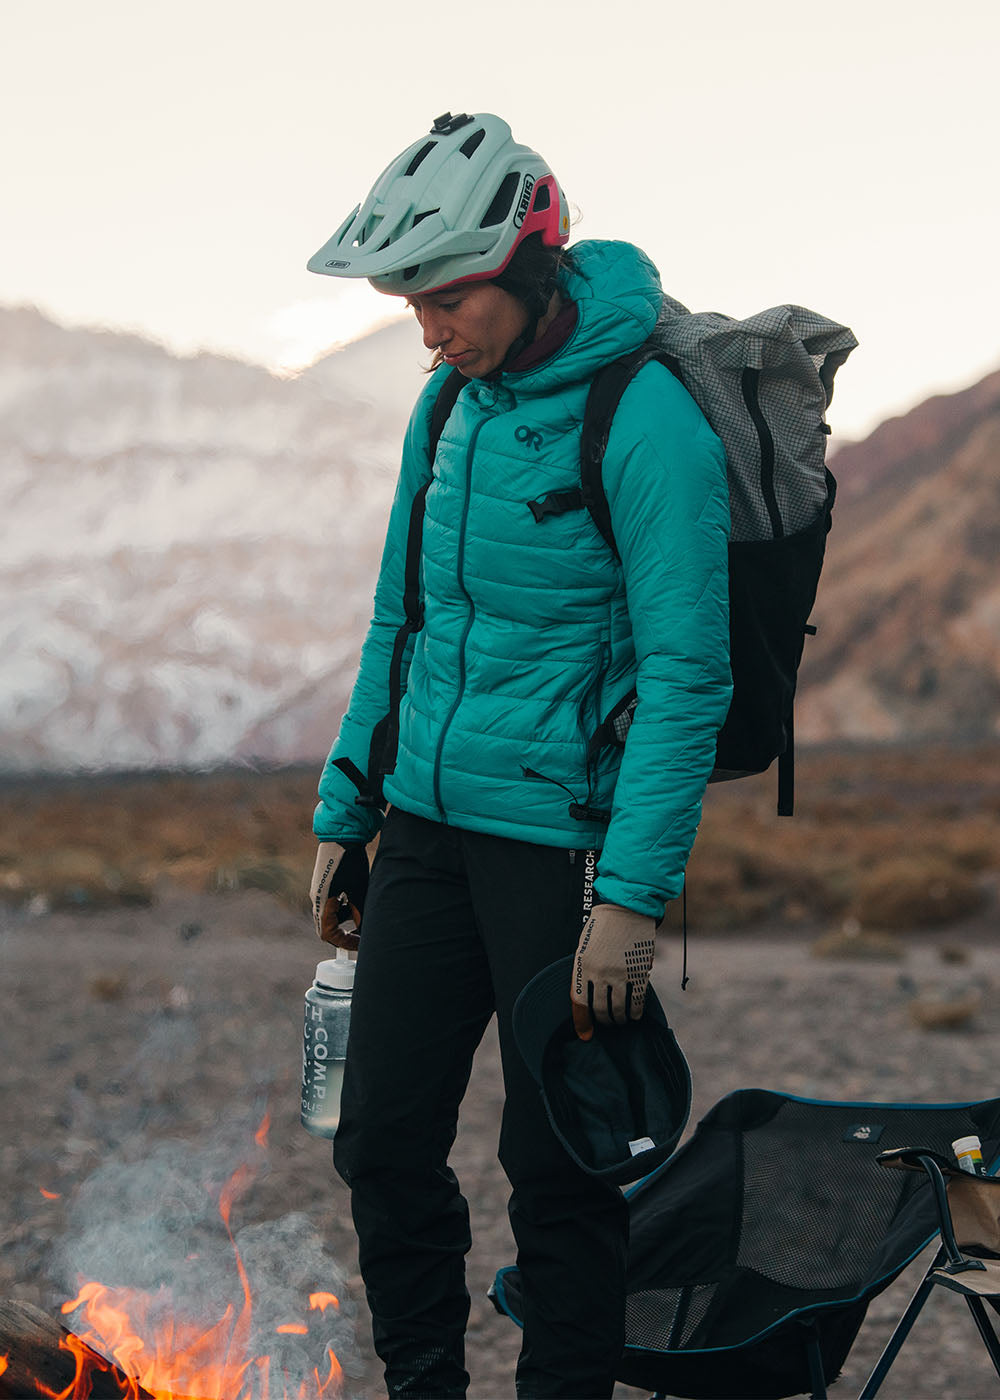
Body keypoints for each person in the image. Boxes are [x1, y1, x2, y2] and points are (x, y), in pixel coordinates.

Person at [306, 111, 732, 1399]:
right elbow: (402, 617)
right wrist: (347, 806)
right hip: (429, 827)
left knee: (563, 1181)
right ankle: (424, 1383)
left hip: (567, 856)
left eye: (443, 300)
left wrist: (633, 902)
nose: (427, 331)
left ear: (528, 262)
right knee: (378, 1139)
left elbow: (686, 681)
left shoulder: (646, 421)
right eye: (411, 305)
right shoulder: (449, 410)